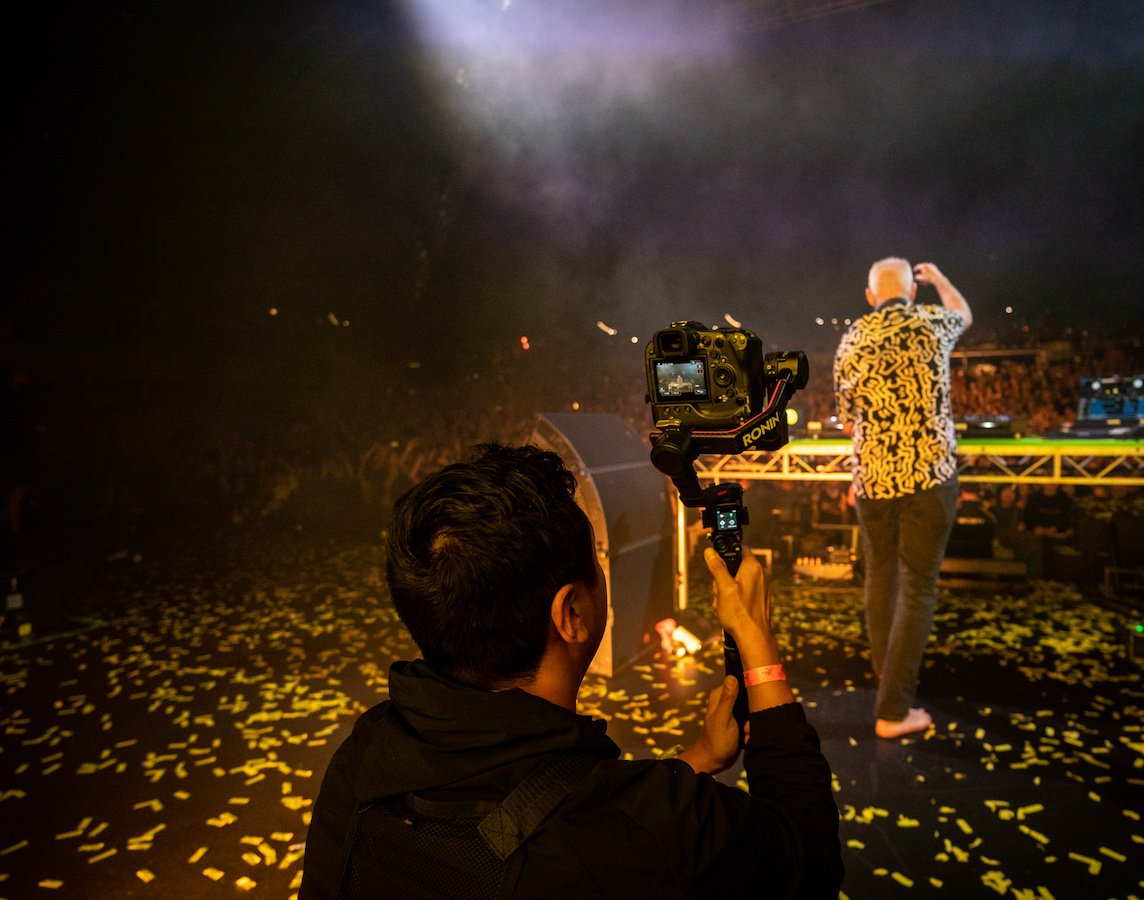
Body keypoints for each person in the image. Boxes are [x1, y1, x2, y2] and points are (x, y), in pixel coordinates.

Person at [301, 443, 842, 899]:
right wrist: (757, 643)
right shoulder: (639, 830)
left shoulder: (361, 763)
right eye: (599, 564)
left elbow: (555, 807)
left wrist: (698, 760)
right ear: (572, 614)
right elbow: (808, 856)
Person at [834, 257, 971, 739]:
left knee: (880, 578)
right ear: (912, 291)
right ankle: (893, 709)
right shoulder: (932, 320)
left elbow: (848, 418)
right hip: (929, 479)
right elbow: (965, 313)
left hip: (873, 482)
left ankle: (887, 675)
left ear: (871, 297)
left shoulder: (852, 339)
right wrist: (940, 279)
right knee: (917, 588)